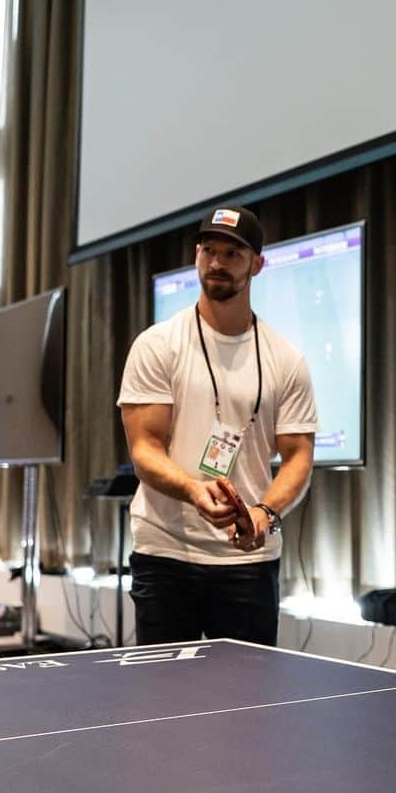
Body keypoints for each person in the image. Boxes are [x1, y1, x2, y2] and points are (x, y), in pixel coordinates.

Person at [118, 205, 317, 646]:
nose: (217, 263)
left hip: (248, 560)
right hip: (165, 551)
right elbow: (144, 449)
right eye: (209, 250)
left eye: (232, 253)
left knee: (247, 707)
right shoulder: (157, 346)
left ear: (257, 264)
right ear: (196, 256)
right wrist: (193, 489)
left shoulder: (285, 359)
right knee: (163, 705)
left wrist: (265, 512)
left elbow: (299, 455)